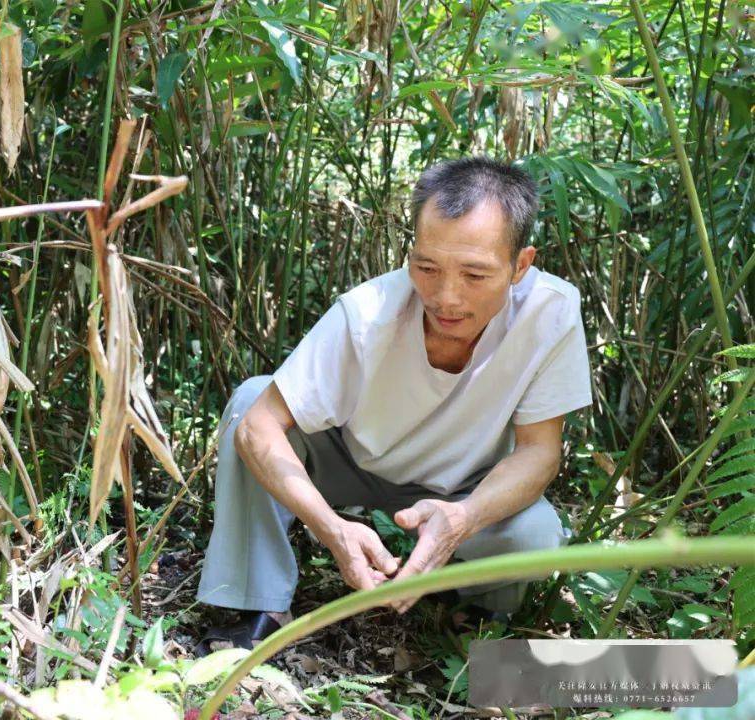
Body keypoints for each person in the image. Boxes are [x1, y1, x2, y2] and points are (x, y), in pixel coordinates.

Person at [194, 157, 592, 654]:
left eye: (474, 275)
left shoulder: (550, 313)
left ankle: (477, 607)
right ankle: (261, 603)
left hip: (463, 488)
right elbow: (259, 427)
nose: (446, 297)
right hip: (352, 462)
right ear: (410, 256)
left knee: (536, 532)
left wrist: (462, 519)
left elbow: (539, 451)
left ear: (520, 266)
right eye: (427, 267)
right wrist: (332, 529)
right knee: (253, 398)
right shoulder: (368, 312)